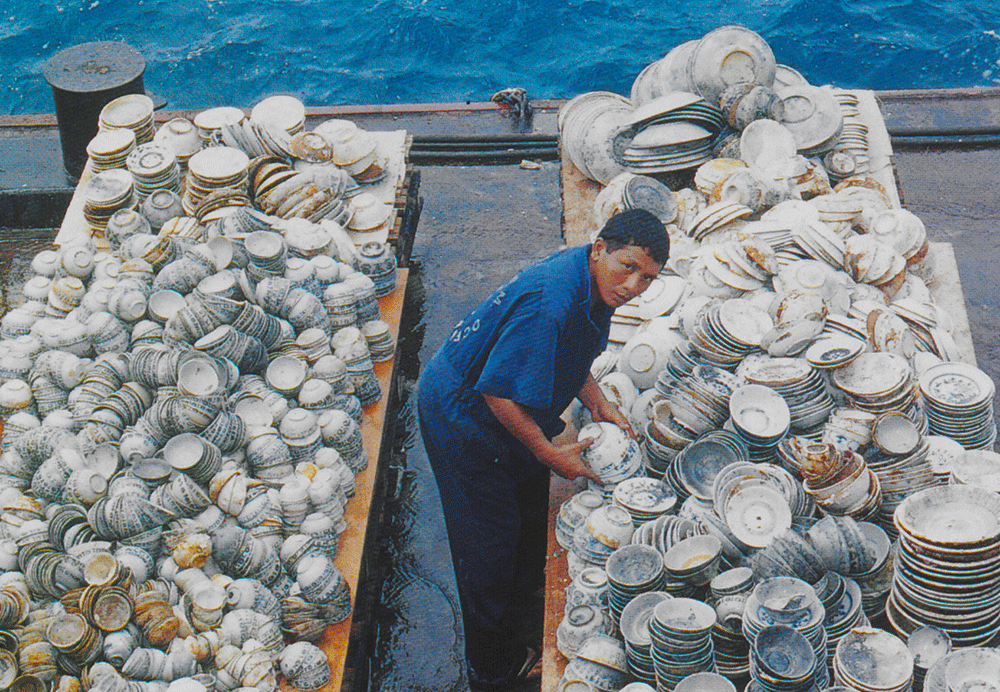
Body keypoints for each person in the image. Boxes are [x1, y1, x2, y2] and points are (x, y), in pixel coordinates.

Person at [416, 209, 670, 689]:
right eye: (628, 267)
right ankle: (493, 665)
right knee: (486, 543)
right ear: (599, 249)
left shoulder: (594, 284)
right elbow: (499, 396)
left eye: (648, 278)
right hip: (462, 411)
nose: (634, 285)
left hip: (500, 398)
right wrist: (550, 454)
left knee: (528, 511)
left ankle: (523, 604)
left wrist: (598, 403)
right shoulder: (552, 302)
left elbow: (573, 354)